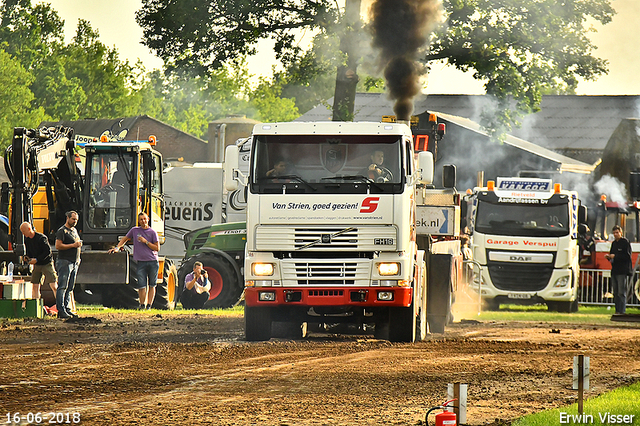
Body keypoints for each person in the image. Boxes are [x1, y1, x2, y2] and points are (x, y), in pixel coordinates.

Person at [108, 212, 159, 310]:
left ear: (148, 219)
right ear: (138, 221)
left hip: (152, 261)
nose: (143, 221)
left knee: (152, 284)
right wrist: (117, 248)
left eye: (144, 219)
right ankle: (142, 305)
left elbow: (157, 248)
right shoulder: (135, 230)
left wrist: (146, 242)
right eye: (141, 219)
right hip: (140, 262)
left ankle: (149, 305)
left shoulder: (152, 232)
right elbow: (125, 239)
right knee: (141, 284)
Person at [20, 221, 58, 303]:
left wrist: (37, 259)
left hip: (46, 263)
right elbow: (29, 252)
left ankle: (60, 305)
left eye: (24, 231)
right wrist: (27, 258)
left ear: (29, 229)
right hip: (37, 265)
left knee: (53, 285)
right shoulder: (27, 240)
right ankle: (36, 305)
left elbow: (47, 252)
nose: (23, 233)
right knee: (35, 285)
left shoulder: (41, 238)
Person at [55, 211, 82, 319]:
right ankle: (61, 310)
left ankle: (67, 308)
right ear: (67, 218)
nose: (75, 222)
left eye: (76, 220)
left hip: (74, 262)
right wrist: (73, 245)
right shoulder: (62, 231)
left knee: (70, 287)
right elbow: (58, 245)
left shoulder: (74, 230)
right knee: (63, 286)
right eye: (73, 219)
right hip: (65, 261)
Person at [605, 225, 632, 314]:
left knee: (621, 292)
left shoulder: (625, 242)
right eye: (614, 233)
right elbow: (612, 255)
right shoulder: (614, 244)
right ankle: (617, 310)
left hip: (622, 271)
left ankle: (622, 311)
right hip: (615, 270)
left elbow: (627, 256)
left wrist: (615, 256)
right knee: (615, 292)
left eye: (617, 233)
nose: (615, 235)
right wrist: (609, 257)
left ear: (621, 233)